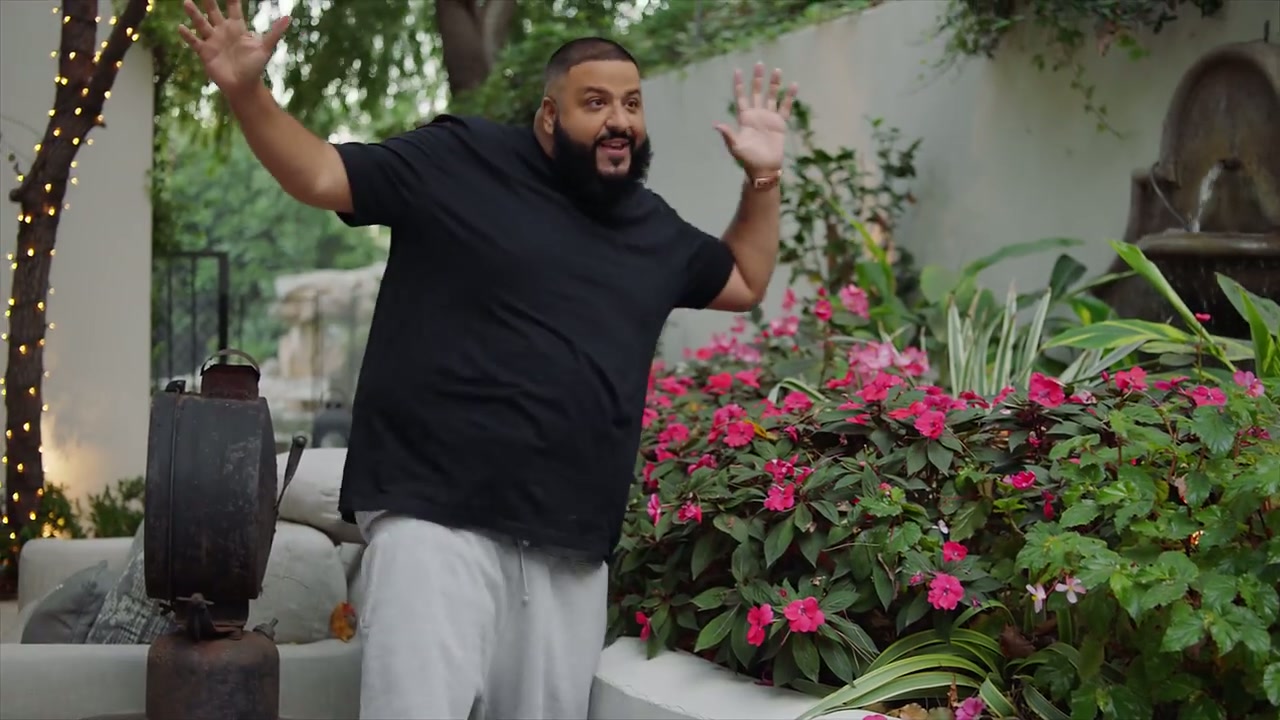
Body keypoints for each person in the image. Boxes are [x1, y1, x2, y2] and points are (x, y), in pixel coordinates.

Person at [178, 1, 796, 717]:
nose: (619, 120)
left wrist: (763, 178)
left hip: (569, 550)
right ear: (548, 115)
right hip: (435, 526)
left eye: (631, 104)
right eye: (595, 102)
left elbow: (744, 279)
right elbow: (320, 173)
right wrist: (246, 92)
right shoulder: (460, 159)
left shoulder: (651, 228)